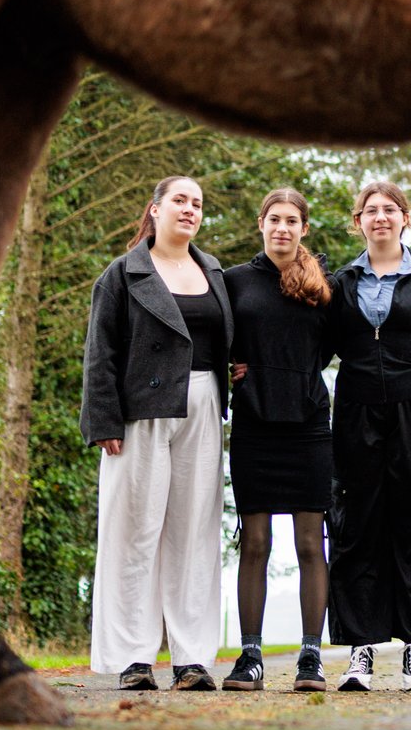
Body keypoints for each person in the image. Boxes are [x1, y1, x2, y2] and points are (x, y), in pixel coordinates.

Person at [80, 175, 234, 690]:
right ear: (156, 210)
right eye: (180, 201)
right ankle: (134, 659)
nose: (189, 210)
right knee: (134, 533)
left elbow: (222, 337)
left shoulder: (211, 270)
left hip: (204, 405)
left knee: (194, 532)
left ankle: (191, 659)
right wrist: (102, 420)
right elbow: (100, 352)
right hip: (139, 410)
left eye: (197, 204)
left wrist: (240, 368)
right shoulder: (123, 274)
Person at [324, 179, 411, 691]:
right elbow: (317, 349)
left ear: (405, 218)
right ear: (358, 221)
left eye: (390, 209)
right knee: (357, 527)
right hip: (356, 415)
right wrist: (260, 367)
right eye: (370, 210)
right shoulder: (340, 283)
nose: (380, 217)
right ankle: (360, 649)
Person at [221, 187, 336, 691]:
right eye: (275, 219)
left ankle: (311, 658)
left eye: (292, 220)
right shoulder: (233, 281)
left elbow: (334, 348)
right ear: (261, 224)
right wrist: (229, 370)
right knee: (257, 544)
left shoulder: (323, 285)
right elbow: (215, 339)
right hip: (253, 425)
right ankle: (250, 658)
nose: (283, 228)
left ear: (303, 228)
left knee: (311, 543)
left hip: (309, 426)